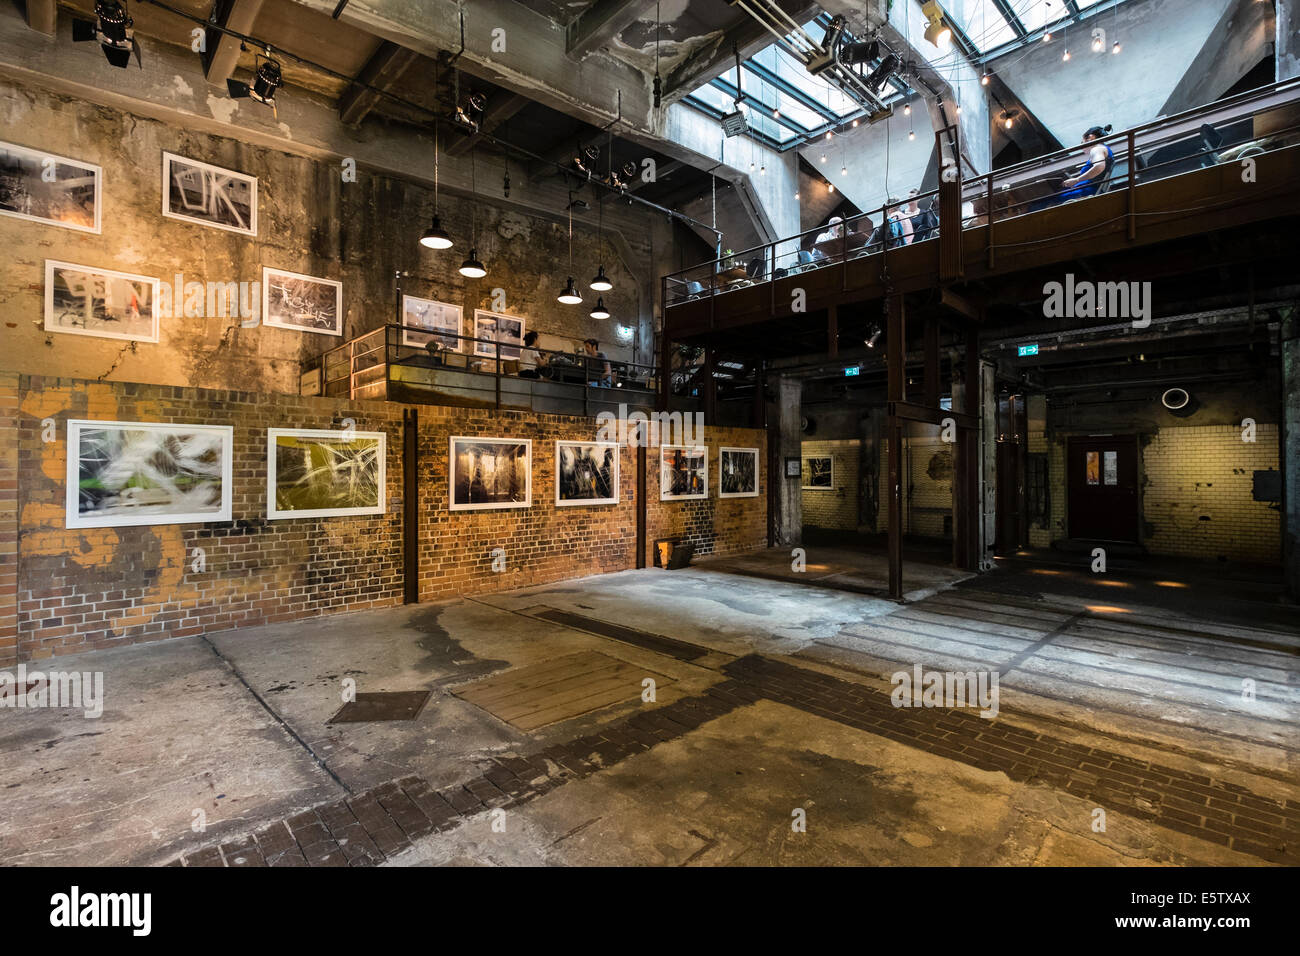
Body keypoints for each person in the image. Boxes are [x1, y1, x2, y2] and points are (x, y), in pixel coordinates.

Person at [1058, 125, 1114, 202]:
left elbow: (1099, 166)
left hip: (1089, 190)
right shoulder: (1103, 149)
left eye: (1082, 142)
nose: (1082, 147)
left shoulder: (1097, 149)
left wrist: (1076, 180)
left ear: (1091, 137)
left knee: (1049, 199)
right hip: (1091, 189)